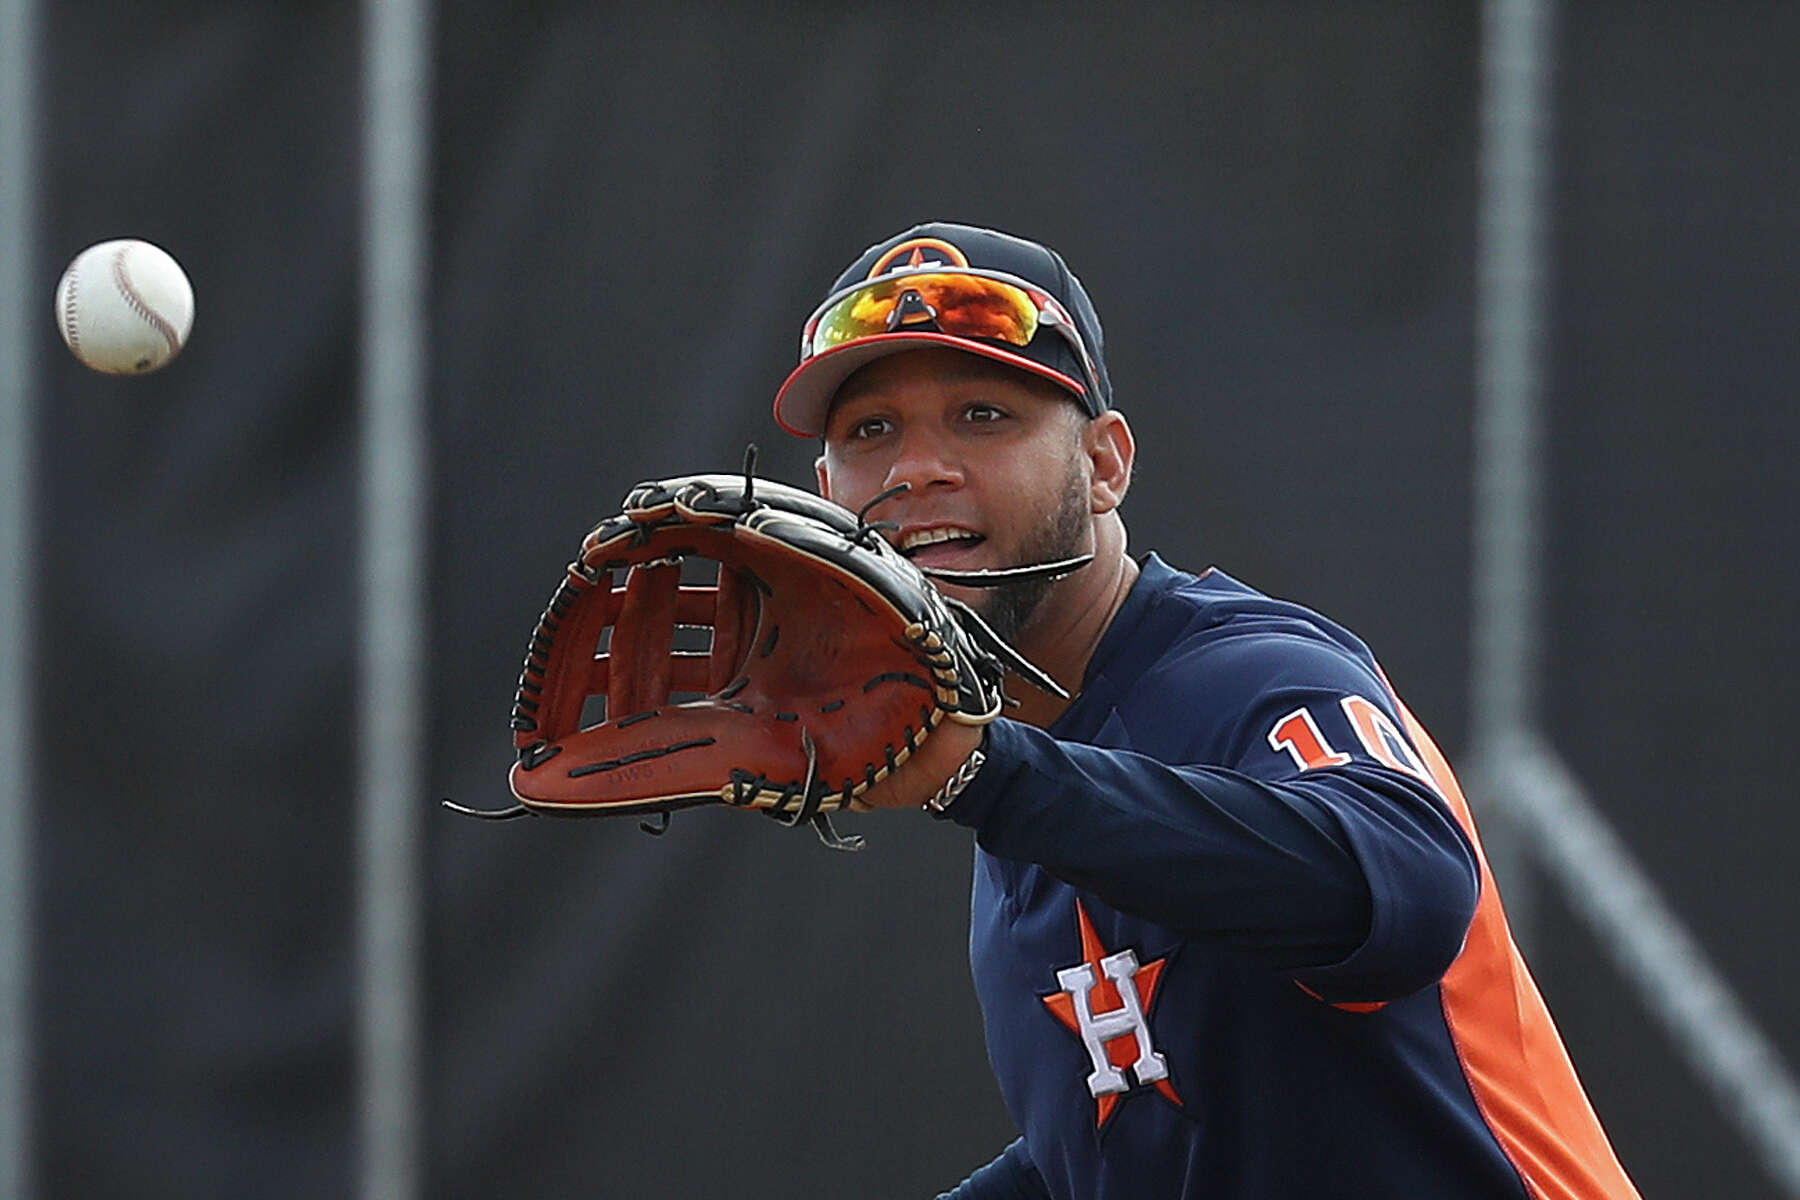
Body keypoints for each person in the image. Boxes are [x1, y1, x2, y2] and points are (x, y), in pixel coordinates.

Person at [771, 221, 1641, 1200]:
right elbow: (1120, 1129)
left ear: (1105, 464)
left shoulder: (1250, 674)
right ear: (826, 496)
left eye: (982, 414)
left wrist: (986, 774)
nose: (913, 469)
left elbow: (1412, 891)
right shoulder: (1026, 762)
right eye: (869, 432)